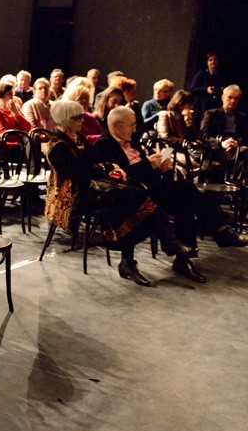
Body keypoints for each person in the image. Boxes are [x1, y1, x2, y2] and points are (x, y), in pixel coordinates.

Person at [93, 106, 248, 283]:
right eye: (131, 125)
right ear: (116, 125)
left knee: (186, 195)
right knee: (184, 194)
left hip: (149, 188)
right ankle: (217, 233)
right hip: (127, 196)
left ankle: (186, 257)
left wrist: (161, 168)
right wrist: (149, 165)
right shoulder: (103, 146)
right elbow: (119, 179)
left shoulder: (132, 139)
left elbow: (146, 173)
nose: (135, 129)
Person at [43, 101, 191, 286]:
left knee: (135, 200)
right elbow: (78, 174)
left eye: (82, 115)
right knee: (134, 199)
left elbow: (92, 163)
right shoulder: (57, 146)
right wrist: (105, 168)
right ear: (65, 120)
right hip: (73, 197)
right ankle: (165, 242)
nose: (82, 120)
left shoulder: (77, 137)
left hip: (94, 188)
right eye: (77, 117)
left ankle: (133, 258)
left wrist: (105, 168)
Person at [200, 84, 248, 178]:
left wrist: (237, 144)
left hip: (236, 145)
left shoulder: (242, 117)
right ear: (222, 97)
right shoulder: (212, 114)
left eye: (236, 98)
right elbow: (204, 135)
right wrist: (221, 143)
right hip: (218, 146)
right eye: (230, 97)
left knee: (244, 152)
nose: (233, 101)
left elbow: (245, 136)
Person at [190, 52, 226, 128]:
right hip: (202, 106)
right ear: (207, 62)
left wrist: (221, 90)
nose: (213, 62)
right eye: (210, 60)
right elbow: (193, 89)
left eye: (215, 60)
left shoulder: (221, 75)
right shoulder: (201, 74)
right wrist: (206, 90)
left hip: (216, 105)